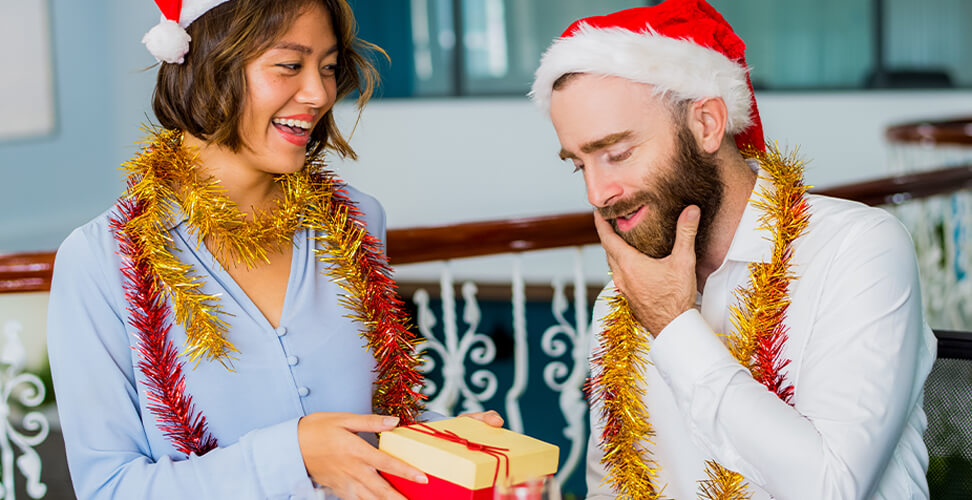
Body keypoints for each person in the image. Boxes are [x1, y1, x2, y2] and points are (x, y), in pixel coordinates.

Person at [46, 1, 501, 499]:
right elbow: (109, 488)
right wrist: (292, 455)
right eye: (289, 65)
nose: (319, 93)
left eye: (328, 68)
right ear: (207, 66)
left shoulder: (358, 220)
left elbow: (367, 420)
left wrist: (442, 440)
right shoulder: (102, 260)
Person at [529, 0, 936, 498]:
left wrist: (674, 325)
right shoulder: (620, 301)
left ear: (706, 124)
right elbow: (611, 488)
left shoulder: (858, 250)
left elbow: (831, 488)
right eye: (579, 164)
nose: (597, 193)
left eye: (617, 153)